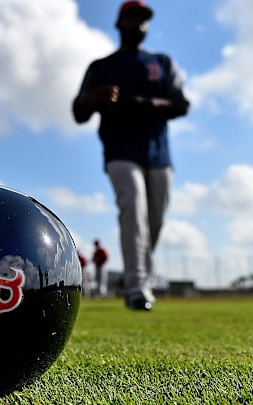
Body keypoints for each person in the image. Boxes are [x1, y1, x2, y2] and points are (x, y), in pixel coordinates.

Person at [71, 1, 190, 310]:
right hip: (120, 150)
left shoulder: (162, 62)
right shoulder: (101, 67)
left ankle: (136, 276)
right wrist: (91, 99)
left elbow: (181, 104)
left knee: (154, 220)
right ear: (119, 23)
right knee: (133, 209)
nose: (138, 22)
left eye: (143, 18)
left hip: (158, 154)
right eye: (132, 17)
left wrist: (145, 104)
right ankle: (138, 288)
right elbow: (78, 111)